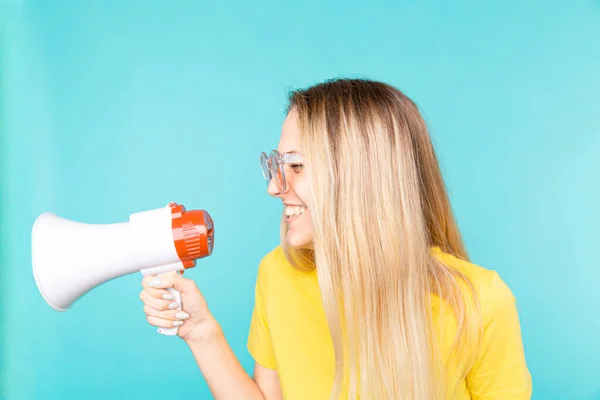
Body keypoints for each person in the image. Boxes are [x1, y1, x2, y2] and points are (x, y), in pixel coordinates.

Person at [139, 78, 532, 400]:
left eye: (295, 166)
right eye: (277, 165)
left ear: (361, 175)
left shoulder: (477, 300)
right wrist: (201, 333)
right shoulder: (277, 274)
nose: (275, 187)